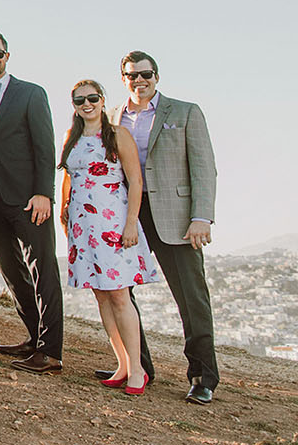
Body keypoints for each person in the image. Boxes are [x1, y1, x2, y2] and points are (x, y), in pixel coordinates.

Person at [118, 50, 219, 405]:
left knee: (191, 297)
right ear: (124, 79)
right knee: (119, 291)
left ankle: (203, 376)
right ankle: (138, 364)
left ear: (156, 76)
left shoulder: (185, 111)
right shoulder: (115, 117)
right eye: (131, 75)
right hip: (129, 214)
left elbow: (204, 167)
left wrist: (200, 217)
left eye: (145, 74)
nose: (138, 80)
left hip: (175, 216)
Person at [60, 79, 157, 395]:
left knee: (118, 294)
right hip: (82, 228)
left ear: (102, 100)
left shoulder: (117, 135)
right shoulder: (70, 138)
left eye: (91, 98)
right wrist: (65, 216)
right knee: (100, 295)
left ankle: (138, 370)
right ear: (74, 105)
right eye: (79, 100)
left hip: (113, 224)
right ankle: (123, 363)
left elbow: (136, 182)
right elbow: (68, 180)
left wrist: (131, 224)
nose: (86, 104)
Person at [0, 29, 63, 373]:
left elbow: (46, 147)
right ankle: (33, 336)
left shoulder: (30, 93)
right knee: (12, 272)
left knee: (43, 271)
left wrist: (44, 193)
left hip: (29, 199)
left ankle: (51, 352)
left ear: (7, 56)